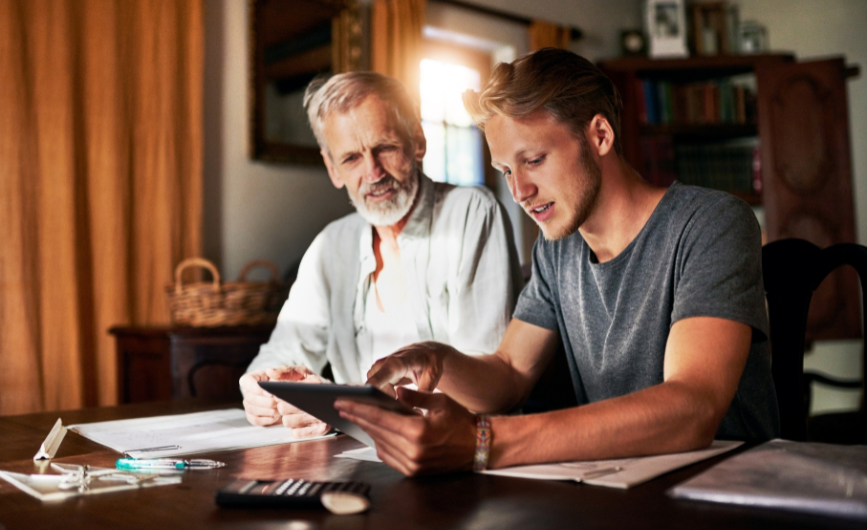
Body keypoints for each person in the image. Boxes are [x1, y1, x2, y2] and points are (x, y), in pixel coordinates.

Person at [336, 48, 780, 476]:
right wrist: (434, 357)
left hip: (727, 491)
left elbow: (692, 407)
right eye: (507, 171)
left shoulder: (712, 223)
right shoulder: (556, 249)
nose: (519, 191)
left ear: (600, 135)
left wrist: (483, 440)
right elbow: (509, 372)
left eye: (533, 160)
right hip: (620, 490)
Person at [240, 72, 523, 439]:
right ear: (332, 168)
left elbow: (487, 390)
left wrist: (344, 405)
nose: (373, 172)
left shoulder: (472, 213)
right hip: (361, 459)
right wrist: (261, 389)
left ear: (417, 141)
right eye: (352, 158)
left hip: (463, 456)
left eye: (385, 147)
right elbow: (280, 352)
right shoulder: (331, 245)